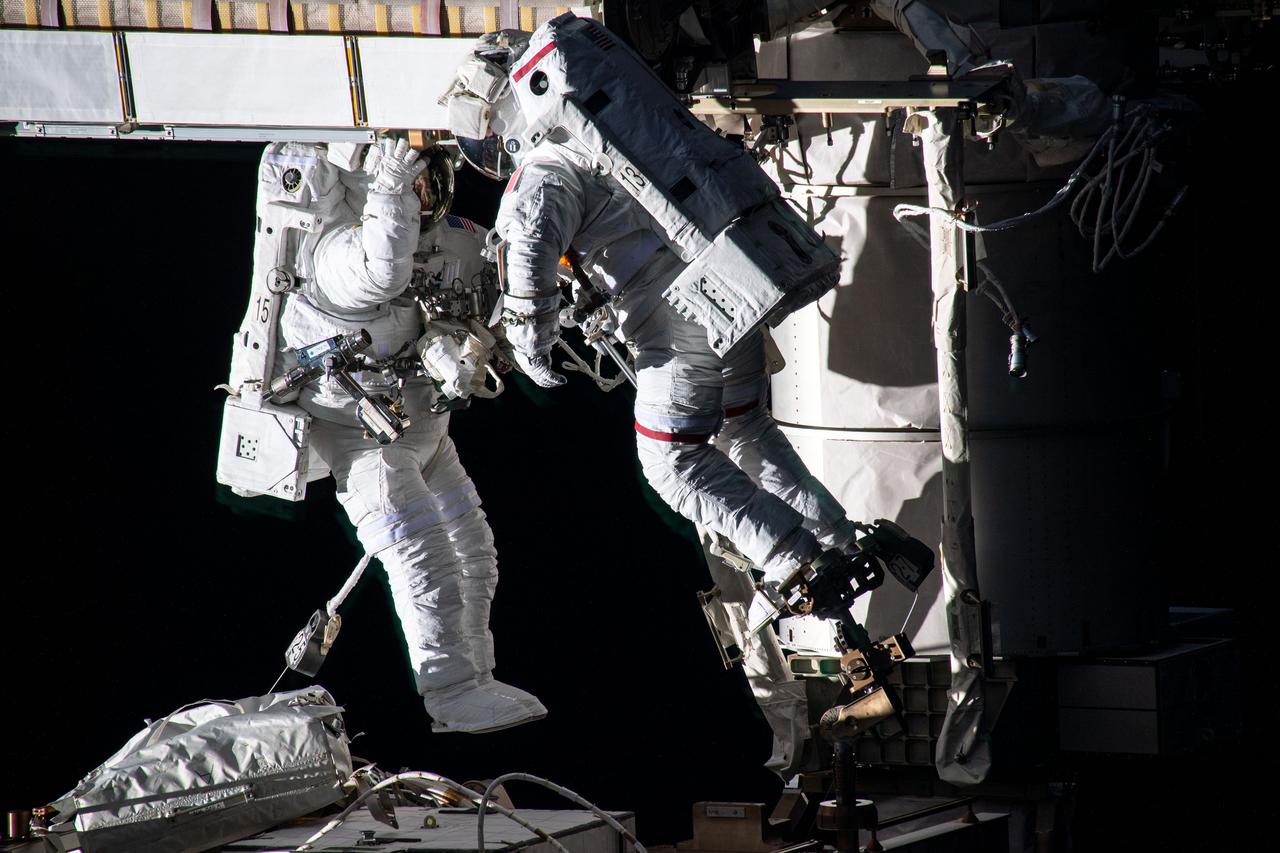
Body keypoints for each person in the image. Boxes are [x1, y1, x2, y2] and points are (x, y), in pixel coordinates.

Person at [442, 22, 863, 594]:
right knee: (745, 427)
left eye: (486, 134)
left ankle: (796, 558)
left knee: (672, 462)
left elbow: (528, 247)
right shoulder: (603, 131)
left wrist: (530, 342)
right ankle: (839, 538)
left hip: (677, 323)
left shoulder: (543, 170)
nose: (488, 152)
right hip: (724, 287)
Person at [268, 138, 545, 733]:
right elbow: (380, 268)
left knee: (476, 556)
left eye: (433, 183)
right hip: (365, 444)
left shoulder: (446, 240)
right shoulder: (335, 255)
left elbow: (462, 303)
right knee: (425, 559)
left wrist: (460, 351)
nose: (429, 198)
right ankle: (448, 692)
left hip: (424, 429)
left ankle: (478, 679)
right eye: (415, 186)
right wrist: (389, 181)